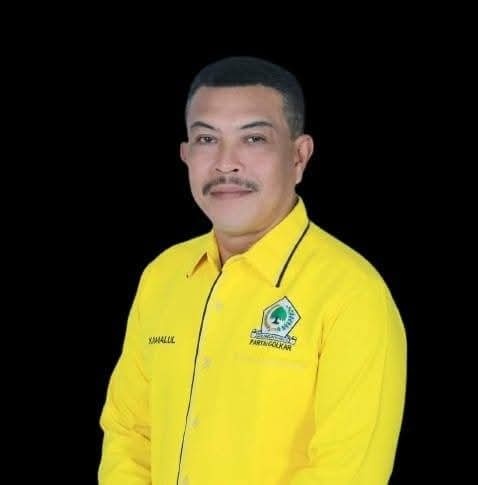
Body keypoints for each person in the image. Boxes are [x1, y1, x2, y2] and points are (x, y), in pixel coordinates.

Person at [98, 56, 407, 485]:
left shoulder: (352, 294)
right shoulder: (162, 276)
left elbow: (346, 472)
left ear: (299, 156)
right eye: (207, 139)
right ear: (185, 155)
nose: (226, 163)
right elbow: (129, 432)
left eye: (254, 138)